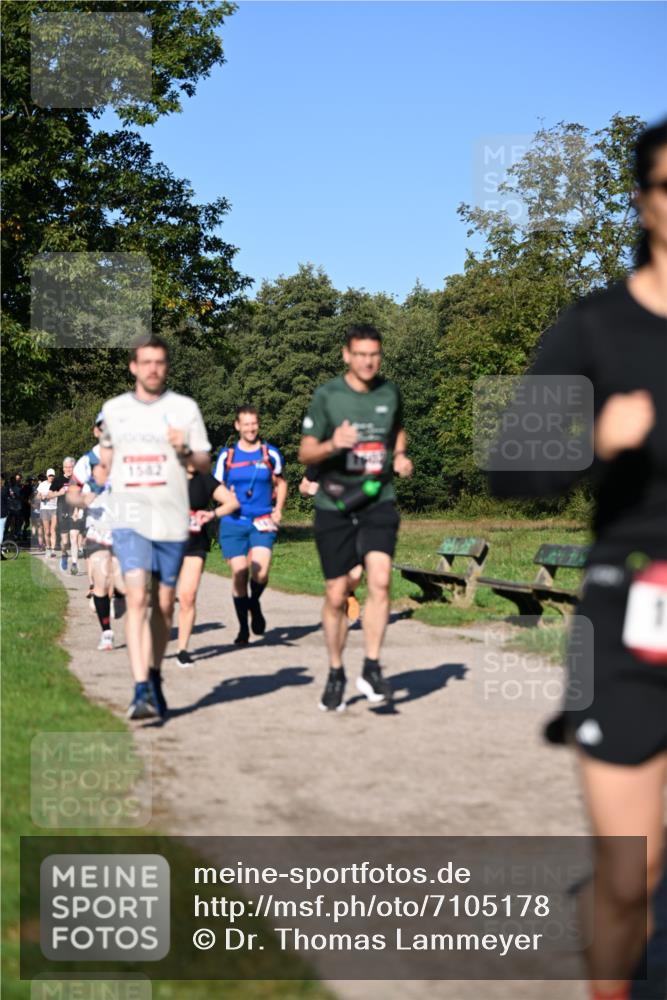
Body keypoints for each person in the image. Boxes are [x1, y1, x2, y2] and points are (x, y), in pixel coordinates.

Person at [488, 120, 667, 1000]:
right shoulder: (596, 324)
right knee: (632, 875)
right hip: (630, 617)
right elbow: (508, 467)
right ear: (643, 201)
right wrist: (594, 439)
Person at [95, 334, 212, 720]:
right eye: (145, 362)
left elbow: (205, 463)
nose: (152, 369)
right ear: (134, 366)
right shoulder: (114, 410)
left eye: (159, 362)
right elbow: (106, 454)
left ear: (166, 366)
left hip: (171, 519)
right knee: (136, 598)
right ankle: (141, 688)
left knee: (163, 605)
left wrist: (183, 449)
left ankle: (155, 673)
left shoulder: (185, 408)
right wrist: (102, 470)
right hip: (130, 518)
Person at [298, 324, 413, 712]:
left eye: (374, 354)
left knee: (380, 580)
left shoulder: (389, 392)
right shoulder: (328, 396)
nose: (368, 361)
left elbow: (398, 430)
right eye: (360, 354)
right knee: (336, 594)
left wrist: (400, 456)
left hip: (378, 499)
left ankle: (372, 667)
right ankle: (335, 671)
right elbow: (306, 453)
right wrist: (334, 443)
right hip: (335, 504)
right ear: (346, 355)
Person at [213, 406, 287, 645]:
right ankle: (243, 628)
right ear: (237, 426)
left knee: (261, 572)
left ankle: (254, 603)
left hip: (262, 520)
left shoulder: (270, 453)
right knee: (240, 572)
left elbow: (282, 482)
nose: (250, 428)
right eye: (246, 424)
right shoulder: (227, 456)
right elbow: (215, 486)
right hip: (233, 522)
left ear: (258, 424)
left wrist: (278, 509)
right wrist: (226, 499)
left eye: (254, 423)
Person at [68, 415, 125, 651]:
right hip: (98, 529)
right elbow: (71, 494)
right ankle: (107, 633)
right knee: (101, 583)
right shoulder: (86, 461)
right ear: (96, 431)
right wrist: (83, 499)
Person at [174, 462, 239, 665]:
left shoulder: (204, 478)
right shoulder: (165, 473)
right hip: (166, 544)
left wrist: (212, 514)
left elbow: (232, 502)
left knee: (188, 597)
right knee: (164, 602)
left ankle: (182, 649)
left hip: (195, 544)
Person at [298, 465, 362, 623]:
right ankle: (339, 605)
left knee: (356, 573)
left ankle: (349, 593)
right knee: (335, 577)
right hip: (330, 523)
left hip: (357, 521)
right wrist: (309, 490)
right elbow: (303, 487)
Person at [49, 457, 76, 573]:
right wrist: (59, 493)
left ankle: (74, 563)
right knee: (65, 541)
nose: (69, 469)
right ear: (63, 468)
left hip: (75, 511)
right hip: (62, 511)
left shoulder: (78, 479)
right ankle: (64, 554)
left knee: (74, 538)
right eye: (66, 467)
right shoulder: (58, 480)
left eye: (71, 467)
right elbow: (49, 494)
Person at [36, 469, 58, 555]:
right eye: (50, 475)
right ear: (47, 476)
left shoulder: (57, 484)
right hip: (45, 509)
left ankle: (53, 550)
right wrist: (41, 497)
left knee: (53, 530)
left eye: (52, 475)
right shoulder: (42, 484)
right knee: (47, 530)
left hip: (54, 508)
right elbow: (37, 496)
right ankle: (48, 547)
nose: (51, 477)